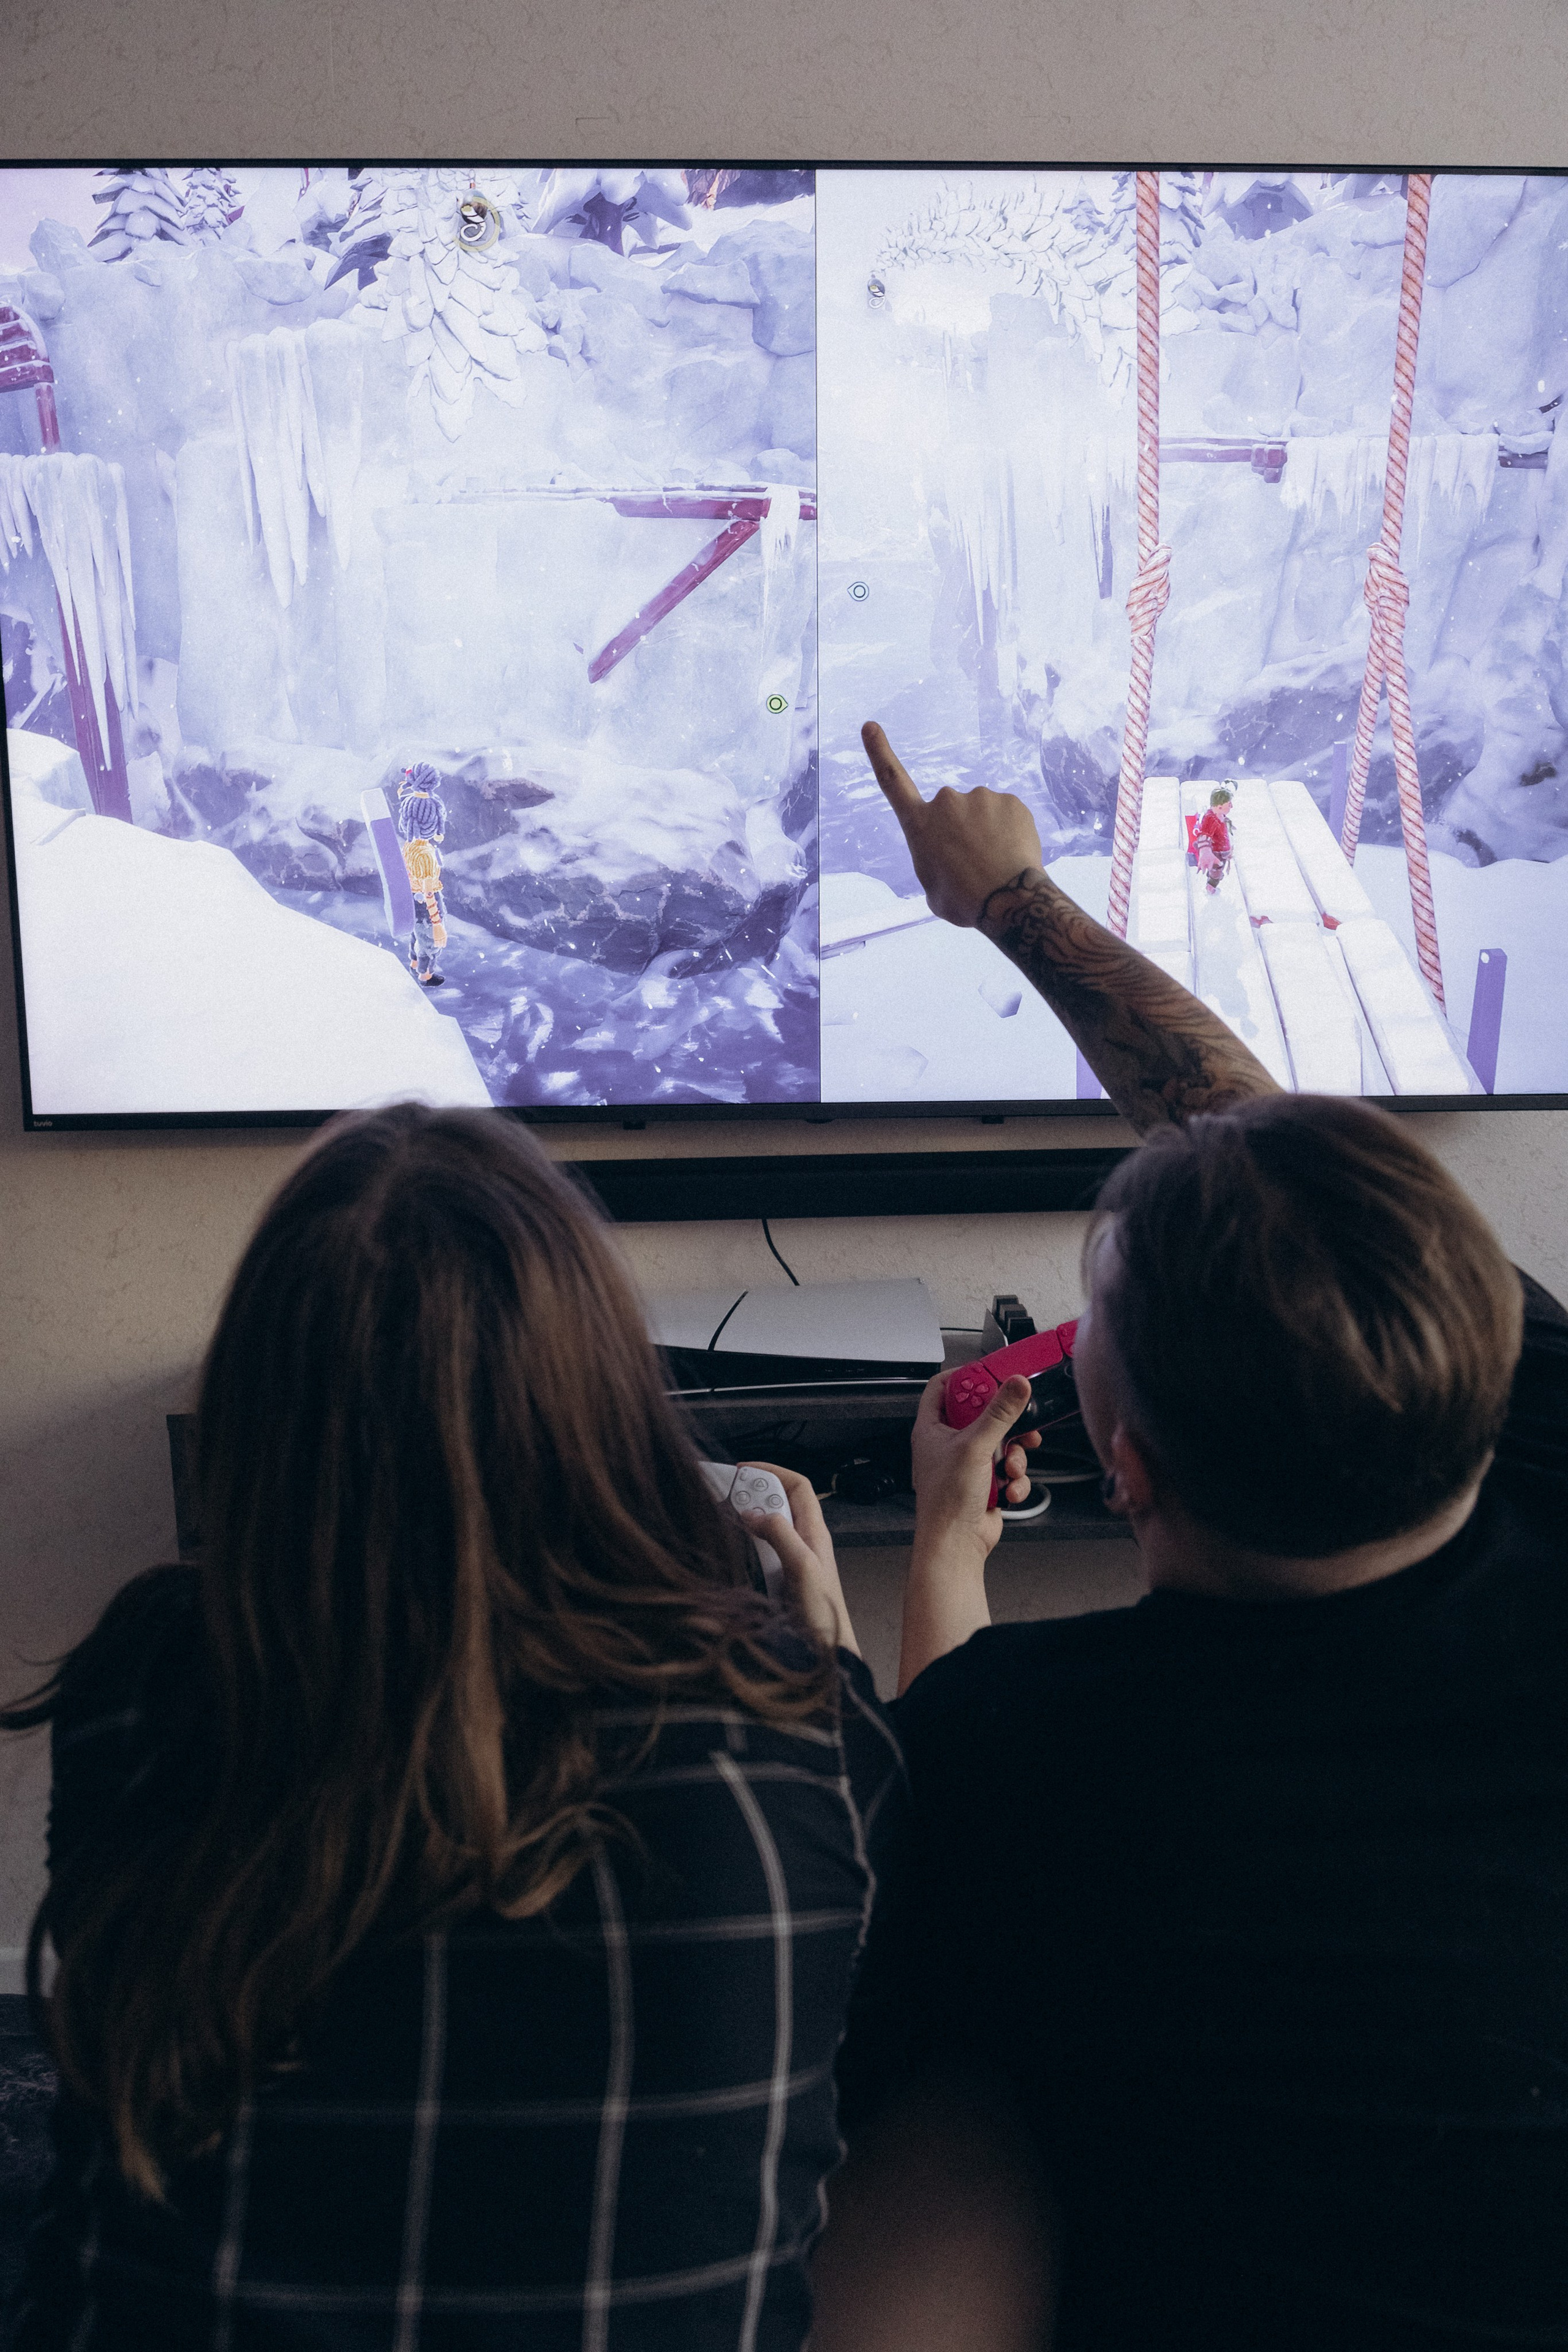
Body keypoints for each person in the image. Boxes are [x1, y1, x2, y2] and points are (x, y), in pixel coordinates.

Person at [810, 724, 1568, 2352]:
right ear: (1481, 1349)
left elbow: (953, 1870)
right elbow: (1280, 1176)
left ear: (1125, 1466)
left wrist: (937, 1563)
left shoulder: (1013, 1755)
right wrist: (1015, 898)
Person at [3, 1107, 901, 2351]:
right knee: (934, 2090)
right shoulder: (793, 1724)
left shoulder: (150, 1679)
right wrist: (823, 1658)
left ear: (267, 1414)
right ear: (601, 1396)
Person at [397, 762, 449, 986]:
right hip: (426, 901)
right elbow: (429, 892)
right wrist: (438, 924)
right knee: (430, 940)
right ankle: (426, 974)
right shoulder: (426, 854)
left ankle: (414, 962)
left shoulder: (408, 848)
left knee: (417, 932)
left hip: (412, 899)